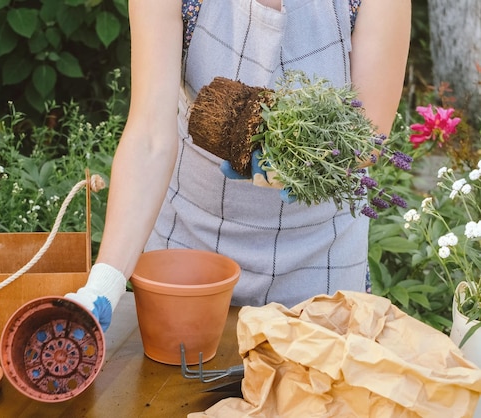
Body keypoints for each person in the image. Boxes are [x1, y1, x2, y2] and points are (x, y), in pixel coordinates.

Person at [66, 0, 412, 331]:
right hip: (190, 246)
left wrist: (287, 154)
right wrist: (104, 283)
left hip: (320, 255)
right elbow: (149, 139)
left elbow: (367, 136)